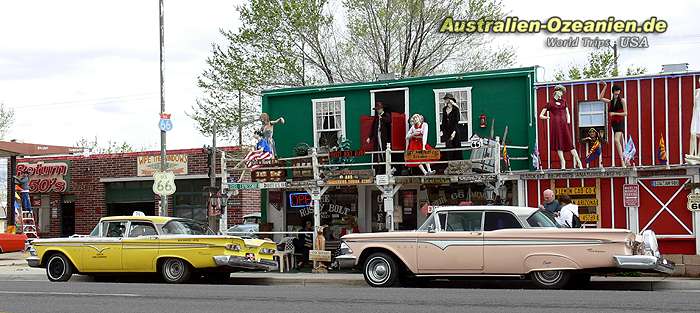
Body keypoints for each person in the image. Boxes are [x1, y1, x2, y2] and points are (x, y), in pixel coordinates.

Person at [539, 85, 583, 169]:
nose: (561, 94)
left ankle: (579, 161)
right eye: (560, 91)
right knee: (559, 143)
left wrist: (568, 120)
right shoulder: (550, 103)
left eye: (562, 92)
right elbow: (541, 115)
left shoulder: (564, 101)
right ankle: (563, 162)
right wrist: (547, 117)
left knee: (569, 143)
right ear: (556, 91)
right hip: (556, 124)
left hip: (564, 124)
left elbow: (567, 112)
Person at [599, 82, 628, 167]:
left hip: (620, 122)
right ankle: (625, 160)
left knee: (616, 140)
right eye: (615, 92)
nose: (616, 94)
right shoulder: (611, 102)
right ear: (613, 92)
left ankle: (622, 161)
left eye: (618, 92)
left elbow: (625, 113)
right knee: (619, 141)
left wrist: (614, 113)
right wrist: (605, 86)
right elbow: (600, 98)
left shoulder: (622, 100)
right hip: (614, 123)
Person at [440, 93, 462, 161]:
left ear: (450, 100)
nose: (445, 100)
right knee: (448, 146)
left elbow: (457, 120)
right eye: (445, 99)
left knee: (456, 146)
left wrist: (454, 132)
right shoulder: (444, 109)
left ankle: (458, 164)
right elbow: (443, 120)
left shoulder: (455, 109)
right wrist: (442, 130)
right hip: (447, 130)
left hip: (454, 129)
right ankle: (450, 164)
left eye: (446, 99)